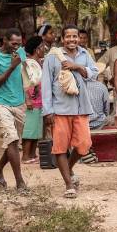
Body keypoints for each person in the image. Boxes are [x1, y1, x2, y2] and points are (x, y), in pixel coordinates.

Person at [41, 25, 99, 198]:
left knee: (83, 145)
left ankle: (70, 168)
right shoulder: (52, 57)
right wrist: (47, 111)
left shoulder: (85, 54)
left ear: (79, 38)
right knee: (60, 148)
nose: (72, 40)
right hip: (60, 109)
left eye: (75, 37)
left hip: (81, 107)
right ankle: (69, 184)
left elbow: (94, 73)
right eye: (68, 37)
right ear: (62, 38)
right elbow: (45, 84)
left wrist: (77, 67)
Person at [0, 29, 28, 190]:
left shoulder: (21, 53)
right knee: (12, 140)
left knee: (14, 142)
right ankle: (20, 182)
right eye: (13, 43)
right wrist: (11, 67)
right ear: (4, 40)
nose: (17, 47)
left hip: (19, 103)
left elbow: (25, 72)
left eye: (19, 44)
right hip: (1, 103)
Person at [21, 36, 45, 164]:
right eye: (42, 47)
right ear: (37, 49)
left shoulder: (37, 63)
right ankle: (25, 155)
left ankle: (32, 154)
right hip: (31, 102)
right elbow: (24, 81)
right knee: (29, 130)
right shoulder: (27, 63)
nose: (44, 49)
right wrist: (28, 98)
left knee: (36, 129)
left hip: (39, 101)